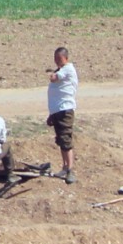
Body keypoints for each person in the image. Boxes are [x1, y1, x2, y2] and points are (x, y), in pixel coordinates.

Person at [45, 46, 78, 185]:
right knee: (60, 140)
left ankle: (70, 170)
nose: (57, 61)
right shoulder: (61, 69)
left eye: (59, 59)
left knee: (66, 140)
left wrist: (51, 74)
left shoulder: (68, 69)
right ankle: (64, 167)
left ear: (66, 58)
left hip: (65, 110)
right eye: (55, 58)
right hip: (57, 110)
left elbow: (55, 78)